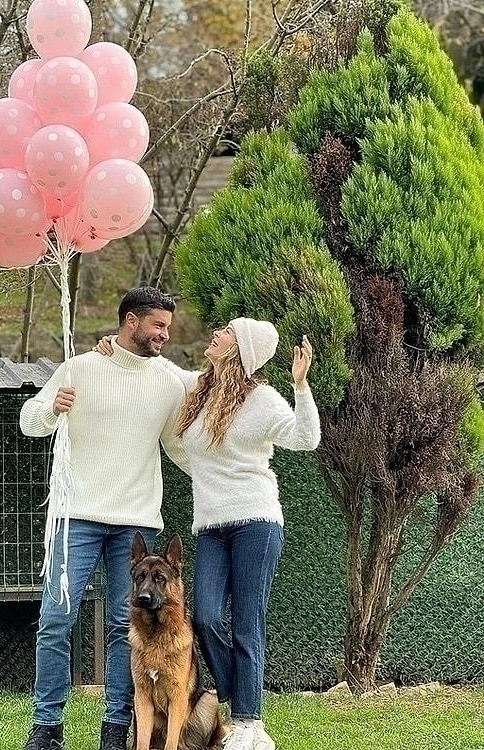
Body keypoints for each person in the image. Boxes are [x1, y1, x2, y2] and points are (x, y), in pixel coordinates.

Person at [95, 318, 320, 750]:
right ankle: (239, 702)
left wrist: (301, 385)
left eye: (228, 331)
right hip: (211, 527)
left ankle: (249, 723)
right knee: (206, 617)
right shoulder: (199, 390)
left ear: (241, 349)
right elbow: (159, 367)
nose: (217, 332)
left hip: (257, 521)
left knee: (247, 624)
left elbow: (306, 438)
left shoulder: (264, 399)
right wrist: (118, 345)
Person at [19, 287, 188, 750]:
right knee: (56, 618)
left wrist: (226, 479)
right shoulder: (80, 368)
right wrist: (52, 408)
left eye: (168, 327)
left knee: (123, 626)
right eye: (158, 326)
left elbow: (179, 443)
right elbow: (28, 422)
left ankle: (116, 730)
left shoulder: (169, 380)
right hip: (76, 515)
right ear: (130, 321)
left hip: (136, 523)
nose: (165, 336)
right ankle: (46, 729)